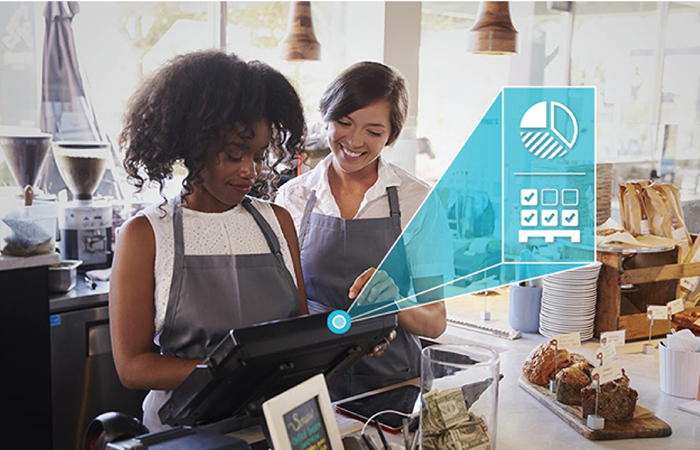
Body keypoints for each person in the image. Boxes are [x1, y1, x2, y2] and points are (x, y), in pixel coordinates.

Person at [110, 50, 313, 432]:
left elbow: (297, 330)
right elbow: (133, 366)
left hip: (272, 424)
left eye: (258, 155)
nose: (250, 171)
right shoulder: (145, 235)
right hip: (184, 431)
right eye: (235, 155)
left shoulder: (278, 221)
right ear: (193, 145)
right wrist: (230, 372)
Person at [276, 61, 454, 400]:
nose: (354, 141)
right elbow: (282, 304)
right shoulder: (293, 197)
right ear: (326, 116)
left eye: (373, 132)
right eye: (344, 123)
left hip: (393, 381)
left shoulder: (418, 201)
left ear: (391, 136)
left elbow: (435, 321)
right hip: (311, 380)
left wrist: (393, 304)